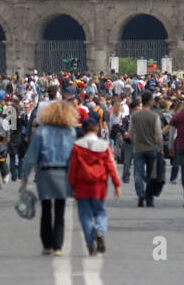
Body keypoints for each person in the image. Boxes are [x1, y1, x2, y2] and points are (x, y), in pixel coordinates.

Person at [21, 99, 79, 255]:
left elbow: (31, 155)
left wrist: (24, 174)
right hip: (64, 173)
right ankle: (58, 246)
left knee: (46, 209)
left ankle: (46, 244)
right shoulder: (71, 132)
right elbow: (74, 156)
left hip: (45, 172)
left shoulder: (41, 132)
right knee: (60, 210)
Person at [68, 117, 121, 255]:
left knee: (85, 215)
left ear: (83, 130)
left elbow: (73, 168)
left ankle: (90, 242)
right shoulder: (104, 145)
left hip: (82, 185)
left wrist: (71, 185)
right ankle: (100, 230)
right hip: (99, 185)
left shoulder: (77, 145)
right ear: (97, 129)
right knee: (100, 212)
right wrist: (116, 184)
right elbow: (110, 166)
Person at [130, 92, 163, 207]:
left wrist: (135, 144)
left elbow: (131, 133)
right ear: (150, 102)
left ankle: (140, 194)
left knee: (138, 173)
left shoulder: (134, 116)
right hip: (151, 148)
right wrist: (161, 148)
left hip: (138, 148)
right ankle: (149, 199)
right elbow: (158, 134)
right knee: (151, 174)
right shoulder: (154, 116)